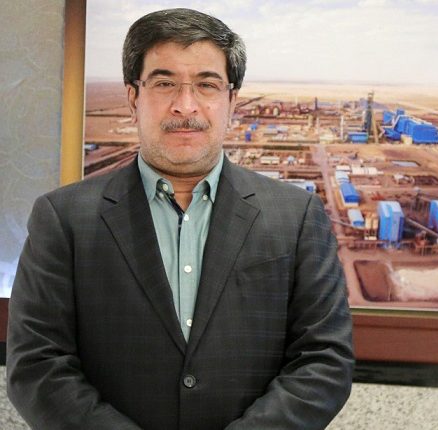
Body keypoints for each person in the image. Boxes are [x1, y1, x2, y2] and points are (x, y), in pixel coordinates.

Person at [7, 8, 353, 430]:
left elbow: (324, 360)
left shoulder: (296, 216)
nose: (185, 105)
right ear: (133, 98)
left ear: (231, 102)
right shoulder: (63, 219)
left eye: (206, 84)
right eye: (164, 83)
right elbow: (37, 365)